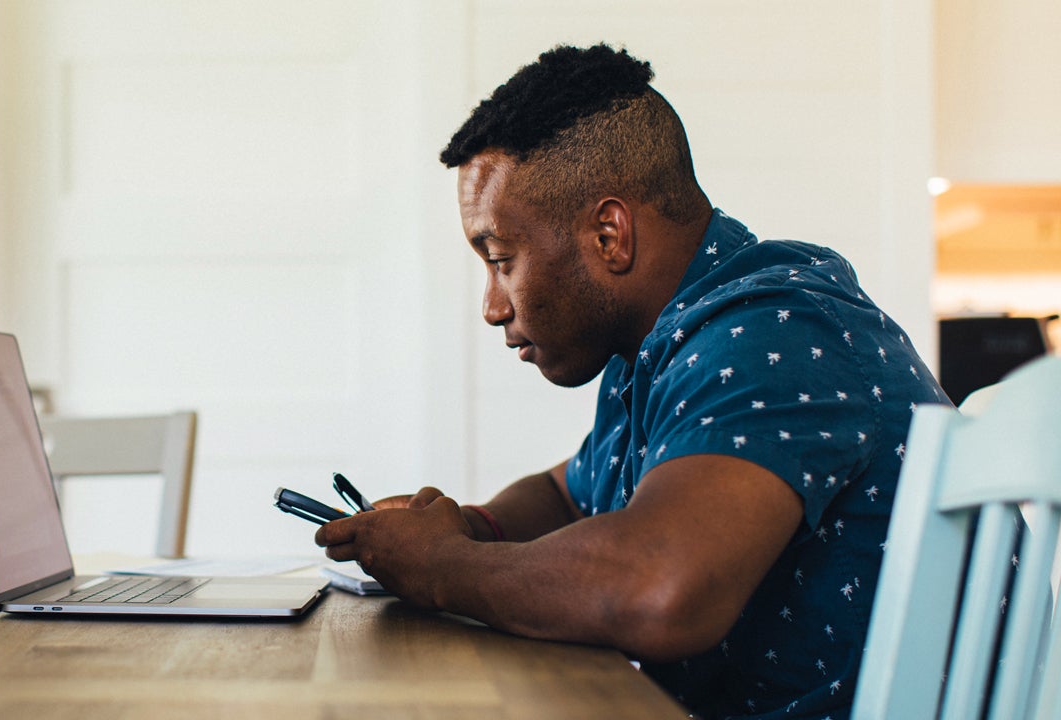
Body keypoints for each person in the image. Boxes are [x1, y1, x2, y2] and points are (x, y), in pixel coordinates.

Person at [315, 43, 950, 720]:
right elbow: (565, 497)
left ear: (609, 235)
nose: (493, 306)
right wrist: (468, 528)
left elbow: (661, 589)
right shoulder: (660, 349)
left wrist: (443, 569)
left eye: (502, 259)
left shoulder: (778, 334)